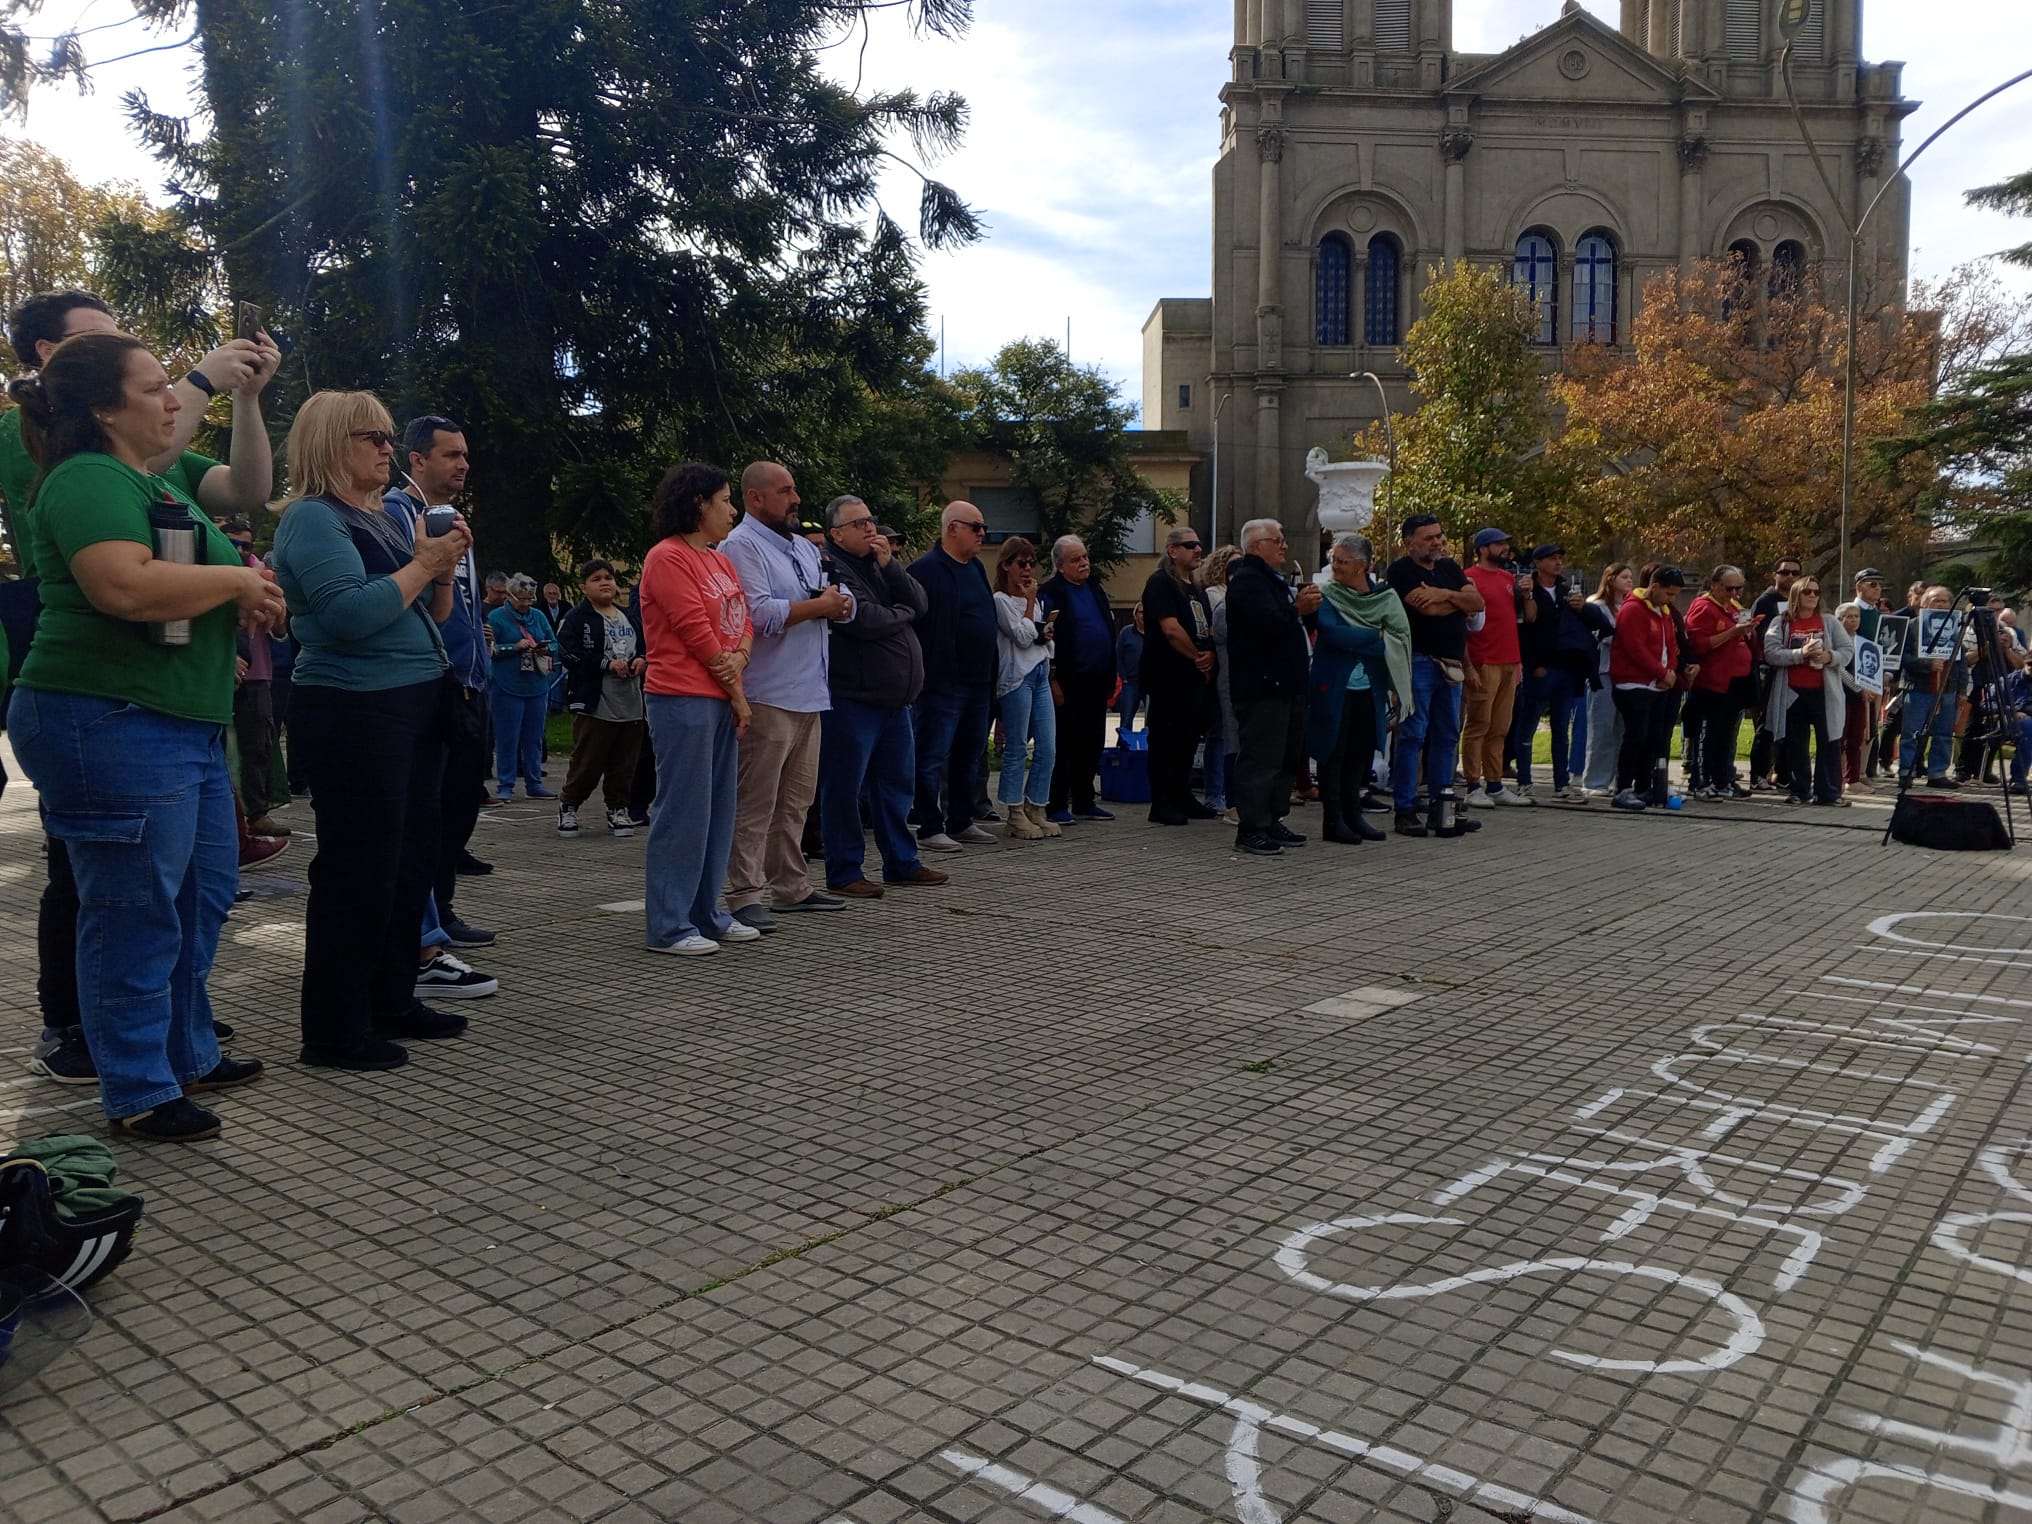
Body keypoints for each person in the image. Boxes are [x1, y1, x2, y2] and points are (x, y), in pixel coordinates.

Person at [5, 331, 281, 1136]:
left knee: (198, 897)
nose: (175, 400)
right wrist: (236, 579)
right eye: (156, 386)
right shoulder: (88, 475)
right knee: (133, 909)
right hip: (108, 718)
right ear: (101, 407)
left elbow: (249, 494)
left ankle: (184, 1051)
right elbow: (122, 586)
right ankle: (137, 1089)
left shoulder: (148, 477)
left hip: (175, 724)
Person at [270, 390, 474, 1070]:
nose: (387, 448)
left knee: (409, 860)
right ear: (330, 443)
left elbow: (427, 615)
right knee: (358, 868)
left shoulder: (381, 518)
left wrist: (436, 566)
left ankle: (389, 1001)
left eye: (387, 437)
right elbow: (350, 616)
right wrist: (424, 566)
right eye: (371, 437)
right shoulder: (311, 519)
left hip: (412, 702)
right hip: (355, 710)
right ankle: (333, 1030)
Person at [719, 461, 853, 928]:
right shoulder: (740, 546)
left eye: (794, 489)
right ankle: (743, 893)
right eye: (785, 491)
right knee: (757, 801)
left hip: (809, 690)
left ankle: (791, 886)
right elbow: (756, 615)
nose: (796, 499)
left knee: (795, 800)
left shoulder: (800, 544)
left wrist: (842, 605)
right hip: (767, 692)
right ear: (755, 498)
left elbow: (827, 597)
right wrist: (820, 606)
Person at [637, 463, 759, 955]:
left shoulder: (718, 560)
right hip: (682, 697)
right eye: (726, 500)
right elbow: (695, 631)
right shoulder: (666, 558)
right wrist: (737, 691)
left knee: (717, 812)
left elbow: (743, 618)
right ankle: (668, 924)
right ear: (698, 503)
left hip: (720, 697)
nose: (732, 510)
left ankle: (708, 912)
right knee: (683, 811)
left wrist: (742, 657)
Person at [389, 415, 494, 947]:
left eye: (465, 454)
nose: (463, 464)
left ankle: (441, 907)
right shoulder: (398, 511)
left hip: (468, 680)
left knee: (457, 803)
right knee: (428, 810)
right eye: (451, 454)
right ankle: (425, 926)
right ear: (417, 460)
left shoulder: (447, 516)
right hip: (432, 681)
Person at [818, 495, 948, 896]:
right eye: (860, 524)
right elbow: (864, 620)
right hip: (853, 698)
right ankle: (844, 870)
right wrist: (903, 613)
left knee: (895, 786)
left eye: (871, 521)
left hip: (895, 700)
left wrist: (891, 567)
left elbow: (920, 601)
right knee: (845, 787)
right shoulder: (830, 567)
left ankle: (901, 862)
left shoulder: (879, 565)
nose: (871, 529)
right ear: (836, 533)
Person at [1220, 519, 1319, 854]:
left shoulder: (1273, 580)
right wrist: (1296, 609)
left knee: (1285, 757)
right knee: (1260, 759)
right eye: (1277, 540)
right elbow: (1265, 625)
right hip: (1262, 687)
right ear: (1256, 545)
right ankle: (1250, 828)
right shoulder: (1246, 581)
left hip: (1286, 684)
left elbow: (1287, 622)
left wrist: (1307, 610)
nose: (1284, 546)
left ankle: (1272, 817)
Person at [907, 502, 999, 852]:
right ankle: (929, 825)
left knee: (970, 752)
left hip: (978, 680)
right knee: (932, 754)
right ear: (952, 529)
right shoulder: (926, 570)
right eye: (976, 527)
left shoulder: (975, 567)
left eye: (983, 527)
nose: (982, 534)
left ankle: (961, 819)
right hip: (943, 682)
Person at [1385, 516, 1485, 836]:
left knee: (1447, 734)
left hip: (1451, 663)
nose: (1437, 543)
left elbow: (1477, 602)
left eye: (1439, 536)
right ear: (1409, 542)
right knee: (1413, 734)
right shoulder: (1400, 572)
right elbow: (1426, 609)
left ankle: (1444, 805)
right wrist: (1457, 600)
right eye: (1428, 538)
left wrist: (1444, 595)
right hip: (1419, 661)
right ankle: (1405, 807)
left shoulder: (1450, 568)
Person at [1307, 533, 1408, 845]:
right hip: (1335, 685)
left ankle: (1354, 816)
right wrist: (1375, 636)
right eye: (1333, 560)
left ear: (1363, 566)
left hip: (1370, 687)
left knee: (1360, 752)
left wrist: (1376, 639)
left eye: (1342, 561)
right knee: (1332, 752)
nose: (1335, 566)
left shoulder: (1385, 598)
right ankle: (1333, 821)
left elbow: (1397, 639)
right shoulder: (1327, 595)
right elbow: (1334, 635)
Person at [554, 558, 646, 838]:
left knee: (625, 761)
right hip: (596, 702)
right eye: (596, 579)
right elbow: (567, 652)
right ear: (584, 587)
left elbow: (644, 645)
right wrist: (605, 664)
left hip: (629, 702)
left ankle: (619, 808)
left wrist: (642, 659)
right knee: (589, 759)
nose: (605, 582)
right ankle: (569, 804)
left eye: (609, 577)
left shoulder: (628, 616)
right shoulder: (578, 618)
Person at [1140, 527, 1218, 825]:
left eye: (1199, 544)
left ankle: (1183, 795)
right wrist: (1197, 657)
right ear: (1173, 550)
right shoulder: (1161, 583)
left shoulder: (1196, 587)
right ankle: (1161, 803)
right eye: (1190, 545)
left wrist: (1209, 652)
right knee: (1165, 740)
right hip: (1168, 677)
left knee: (1187, 740)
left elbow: (1208, 628)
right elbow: (1170, 629)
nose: (1198, 549)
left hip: (1194, 679)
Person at [1038, 535, 1117, 823]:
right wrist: (1053, 679)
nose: (1083, 563)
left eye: (1084, 557)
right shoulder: (1051, 593)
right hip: (1068, 682)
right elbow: (1046, 641)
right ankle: (1056, 802)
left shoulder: (1095, 589)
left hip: (1096, 680)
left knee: (1092, 741)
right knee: (1064, 744)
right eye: (1075, 559)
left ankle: (1085, 800)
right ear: (1059, 566)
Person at [1510, 545, 1596, 803]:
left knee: (1561, 727)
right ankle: (1524, 781)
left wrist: (1583, 609)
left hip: (1566, 668)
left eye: (1560, 558)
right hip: (1540, 667)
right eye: (1551, 559)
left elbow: (1588, 623)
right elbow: (1525, 628)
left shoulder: (1566, 591)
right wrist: (1532, 663)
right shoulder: (1527, 590)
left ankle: (1562, 784)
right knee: (1528, 725)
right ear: (1538, 563)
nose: (1558, 563)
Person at [989, 536, 1061, 840]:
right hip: (1017, 677)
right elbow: (1019, 635)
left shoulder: (1038, 599)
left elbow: (1041, 640)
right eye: (1021, 563)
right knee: (1017, 746)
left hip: (1040, 671)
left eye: (1032, 563)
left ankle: (1036, 806)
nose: (1028, 569)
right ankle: (1014, 811)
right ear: (1006, 565)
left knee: (1048, 746)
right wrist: (1031, 604)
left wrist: (1046, 633)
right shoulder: (1001, 600)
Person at [222, 518, 289, 837]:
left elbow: (279, 630)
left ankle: (258, 813)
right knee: (218, 750)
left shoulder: (262, 572)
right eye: (232, 542)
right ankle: (227, 819)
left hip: (258, 672)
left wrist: (277, 612)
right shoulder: (213, 570)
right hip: (218, 671)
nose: (239, 550)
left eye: (245, 544)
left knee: (258, 745)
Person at [1762, 576, 1852, 806]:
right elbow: (1771, 653)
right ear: (1796, 595)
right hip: (1792, 692)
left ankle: (1828, 793)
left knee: (1829, 740)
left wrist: (1829, 656)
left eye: (1816, 592)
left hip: (1824, 692)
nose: (1813, 596)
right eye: (1807, 592)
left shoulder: (1829, 622)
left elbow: (1847, 650)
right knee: (1795, 744)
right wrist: (1800, 653)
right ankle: (1799, 790)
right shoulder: (1781, 623)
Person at [1459, 528, 1531, 808]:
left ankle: (1495, 782)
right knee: (1479, 723)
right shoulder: (1469, 578)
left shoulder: (1507, 579)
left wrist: (1526, 594)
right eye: (1498, 544)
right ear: (1483, 548)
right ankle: (1473, 784)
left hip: (1509, 660)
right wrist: (1469, 665)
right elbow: (1464, 626)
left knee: (1501, 726)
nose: (1504, 548)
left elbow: (1524, 618)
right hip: (1483, 659)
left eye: (1505, 543)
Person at [1607, 564, 1685, 812]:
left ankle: (1643, 786)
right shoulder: (1633, 610)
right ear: (1655, 586)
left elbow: (1671, 644)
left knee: (1653, 737)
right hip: (1633, 683)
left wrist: (1671, 671)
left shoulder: (1663, 611)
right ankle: (1623, 788)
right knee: (1636, 735)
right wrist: (1661, 672)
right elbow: (1635, 648)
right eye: (1669, 593)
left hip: (1658, 684)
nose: (1671, 599)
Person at [1680, 565, 1757, 800]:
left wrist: (1748, 631)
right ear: (1714, 586)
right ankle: (1699, 780)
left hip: (1735, 681)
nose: (1735, 593)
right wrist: (1733, 633)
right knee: (1707, 733)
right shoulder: (1704, 607)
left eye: (1739, 588)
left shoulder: (1732, 606)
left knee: (1726, 734)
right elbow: (1698, 645)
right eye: (1729, 588)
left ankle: (1723, 779)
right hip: (1712, 682)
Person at [486, 574, 557, 802]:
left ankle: (534, 782)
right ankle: (505, 784)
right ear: (510, 595)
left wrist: (545, 648)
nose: (526, 604)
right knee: (508, 737)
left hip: (536, 684)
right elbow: (489, 650)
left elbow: (554, 642)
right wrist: (513, 647)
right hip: (506, 686)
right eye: (522, 600)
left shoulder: (538, 616)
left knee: (534, 737)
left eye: (529, 600)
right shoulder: (496, 617)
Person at [1896, 584, 1971, 789]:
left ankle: (1937, 773)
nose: (1940, 604)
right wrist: (1926, 664)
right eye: (1935, 600)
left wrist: (1962, 690)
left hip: (1947, 689)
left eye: (1944, 600)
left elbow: (1961, 660)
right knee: (1911, 733)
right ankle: (1906, 772)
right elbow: (1903, 658)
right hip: (1918, 688)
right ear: (1924, 602)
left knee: (1944, 733)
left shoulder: (1955, 628)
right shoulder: (1912, 626)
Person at [1747, 554, 1803, 791]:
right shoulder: (1766, 601)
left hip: (1796, 668)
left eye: (1794, 573)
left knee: (1790, 723)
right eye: (1785, 572)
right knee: (1767, 723)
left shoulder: (1799, 601)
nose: (1789, 577)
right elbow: (1760, 636)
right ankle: (1758, 773)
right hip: (1769, 669)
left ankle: (1783, 773)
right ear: (1775, 575)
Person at [1578, 563, 1632, 797]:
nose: (1629, 581)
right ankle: (1594, 782)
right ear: (1610, 579)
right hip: (1602, 672)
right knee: (1602, 729)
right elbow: (1593, 636)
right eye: (1624, 577)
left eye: (1631, 577)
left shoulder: (1630, 606)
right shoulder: (1596, 606)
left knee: (1621, 729)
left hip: (1625, 674)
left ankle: (1618, 780)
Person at [1199, 544, 1242, 823]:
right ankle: (1222, 796)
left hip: (1245, 682)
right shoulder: (1219, 601)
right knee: (1225, 739)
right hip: (1226, 679)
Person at [1835, 601, 1874, 790]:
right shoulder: (1836, 641)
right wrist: (1859, 687)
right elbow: (1839, 668)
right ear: (1839, 619)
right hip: (1841, 693)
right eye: (1848, 616)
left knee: (1856, 737)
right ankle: (1836, 777)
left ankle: (1853, 778)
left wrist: (1869, 686)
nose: (1853, 620)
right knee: (1839, 736)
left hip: (1860, 697)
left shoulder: (1863, 642)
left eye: (1856, 616)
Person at [1114, 603, 1145, 736]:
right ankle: (1123, 749)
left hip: (1150, 682)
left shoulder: (1156, 633)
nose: (1144, 615)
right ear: (1135, 615)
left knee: (1153, 721)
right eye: (1141, 612)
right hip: (1130, 682)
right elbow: (1118, 655)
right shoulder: (1126, 633)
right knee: (1126, 720)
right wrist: (1123, 676)